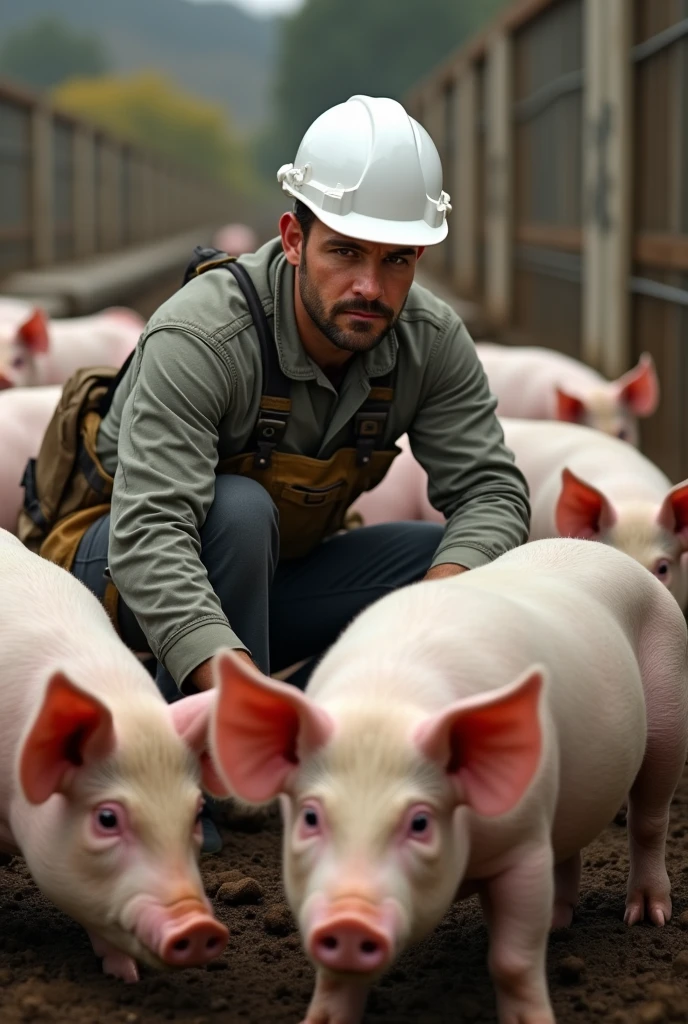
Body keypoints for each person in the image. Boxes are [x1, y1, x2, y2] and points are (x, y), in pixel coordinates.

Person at [70, 95, 530, 852]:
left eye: (398, 260)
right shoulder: (203, 336)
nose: (371, 289)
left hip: (272, 579)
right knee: (240, 510)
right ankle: (183, 774)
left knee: (444, 561)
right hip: (120, 581)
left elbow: (492, 493)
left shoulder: (428, 341)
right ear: (292, 237)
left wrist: (435, 614)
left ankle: (327, 745)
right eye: (345, 251)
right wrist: (242, 703)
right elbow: (150, 536)